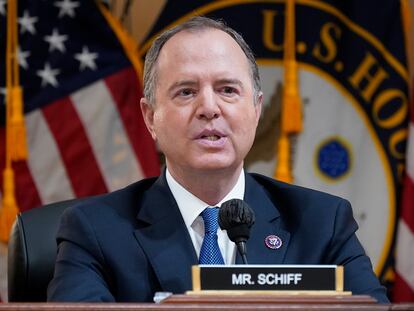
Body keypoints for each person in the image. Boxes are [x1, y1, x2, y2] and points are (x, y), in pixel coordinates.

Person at [47, 16, 389, 303]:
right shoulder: (94, 231)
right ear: (150, 117)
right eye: (186, 92)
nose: (209, 108)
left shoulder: (321, 224)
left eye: (227, 89)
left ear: (256, 110)